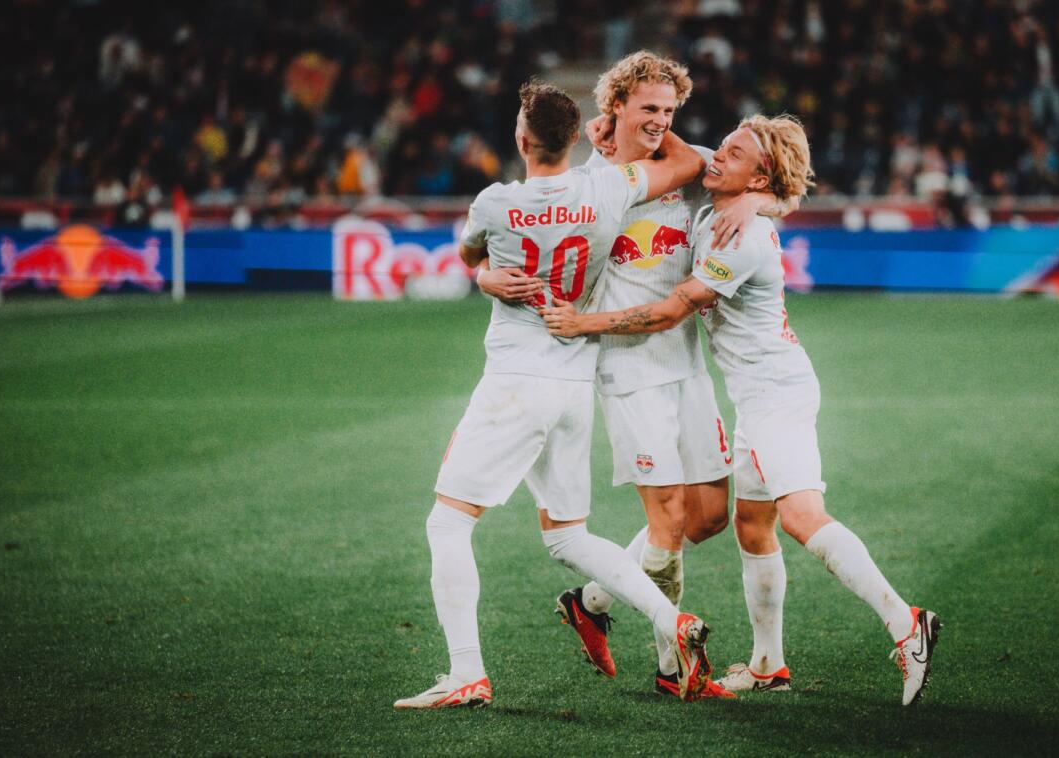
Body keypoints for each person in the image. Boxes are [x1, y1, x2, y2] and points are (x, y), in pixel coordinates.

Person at [541, 115, 942, 706]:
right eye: (723, 147)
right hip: (756, 395)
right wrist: (621, 121)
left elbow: (674, 308)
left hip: (776, 395)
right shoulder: (720, 200)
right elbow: (679, 147)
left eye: (734, 153)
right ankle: (766, 664)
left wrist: (583, 324)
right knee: (751, 527)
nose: (717, 157)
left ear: (761, 174)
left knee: (802, 517)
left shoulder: (742, 236)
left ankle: (906, 624)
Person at [395, 81, 715, 709]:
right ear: (579, 138)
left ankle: (466, 674)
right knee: (567, 536)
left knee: (448, 521)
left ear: (520, 138)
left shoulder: (495, 202)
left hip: (515, 381)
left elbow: (469, 256)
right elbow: (688, 162)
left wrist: (489, 276)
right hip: (574, 383)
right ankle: (668, 619)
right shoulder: (607, 188)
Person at [478, 51, 786, 698]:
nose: (661, 121)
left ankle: (591, 601)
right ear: (612, 107)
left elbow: (761, 180)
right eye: (649, 108)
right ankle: (676, 666)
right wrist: (483, 274)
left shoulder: (682, 170)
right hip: (626, 365)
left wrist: (757, 200)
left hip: (686, 364)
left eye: (670, 111)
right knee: (668, 518)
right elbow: (502, 243)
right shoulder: (596, 185)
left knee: (706, 517)